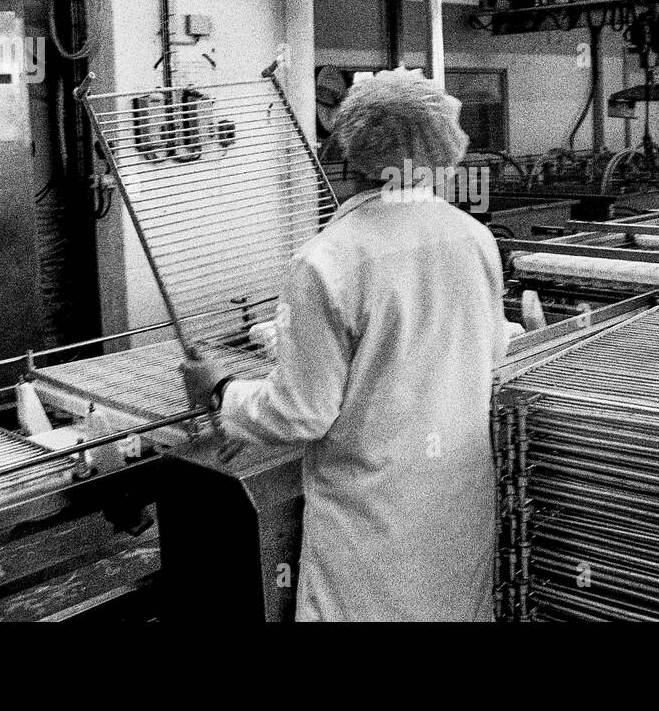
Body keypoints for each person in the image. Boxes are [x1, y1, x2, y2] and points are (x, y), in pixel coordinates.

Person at [181, 71, 506, 622]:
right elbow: (484, 355)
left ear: (350, 149)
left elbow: (300, 414)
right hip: (456, 506)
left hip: (373, 524)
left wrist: (220, 389)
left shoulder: (328, 259)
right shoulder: (473, 236)